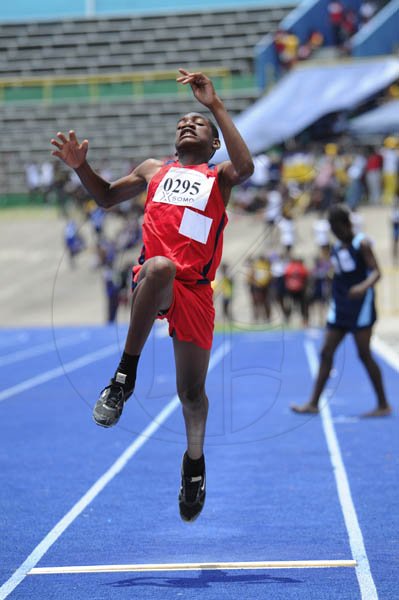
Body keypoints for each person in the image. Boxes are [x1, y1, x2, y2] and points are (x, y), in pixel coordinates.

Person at [51, 68, 254, 522]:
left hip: (197, 293)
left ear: (213, 141)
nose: (187, 123)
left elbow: (246, 169)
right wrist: (81, 166)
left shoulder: (218, 174)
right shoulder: (153, 170)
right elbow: (104, 198)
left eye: (196, 123)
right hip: (157, 280)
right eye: (182, 121)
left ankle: (194, 466)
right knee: (160, 265)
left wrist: (214, 106)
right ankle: (123, 378)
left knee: (192, 393)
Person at [291, 204, 391, 418]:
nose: (335, 232)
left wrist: (362, 287)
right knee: (326, 352)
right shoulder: (336, 248)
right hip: (340, 306)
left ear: (347, 224)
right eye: (331, 228)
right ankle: (313, 403)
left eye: (337, 227)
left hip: (361, 306)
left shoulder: (361, 243)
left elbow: (377, 272)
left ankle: (383, 404)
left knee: (364, 354)